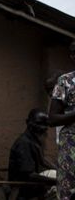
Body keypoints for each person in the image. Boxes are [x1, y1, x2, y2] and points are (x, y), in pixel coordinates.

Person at [8, 109, 56, 200]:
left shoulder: (32, 140)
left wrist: (60, 171)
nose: (41, 127)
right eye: (38, 123)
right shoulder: (24, 143)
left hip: (29, 185)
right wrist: (55, 181)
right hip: (23, 189)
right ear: (28, 123)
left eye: (44, 124)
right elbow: (29, 175)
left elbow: (42, 160)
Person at [48, 41, 75, 200]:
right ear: (72, 56)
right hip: (71, 147)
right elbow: (52, 119)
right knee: (67, 193)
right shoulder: (65, 81)